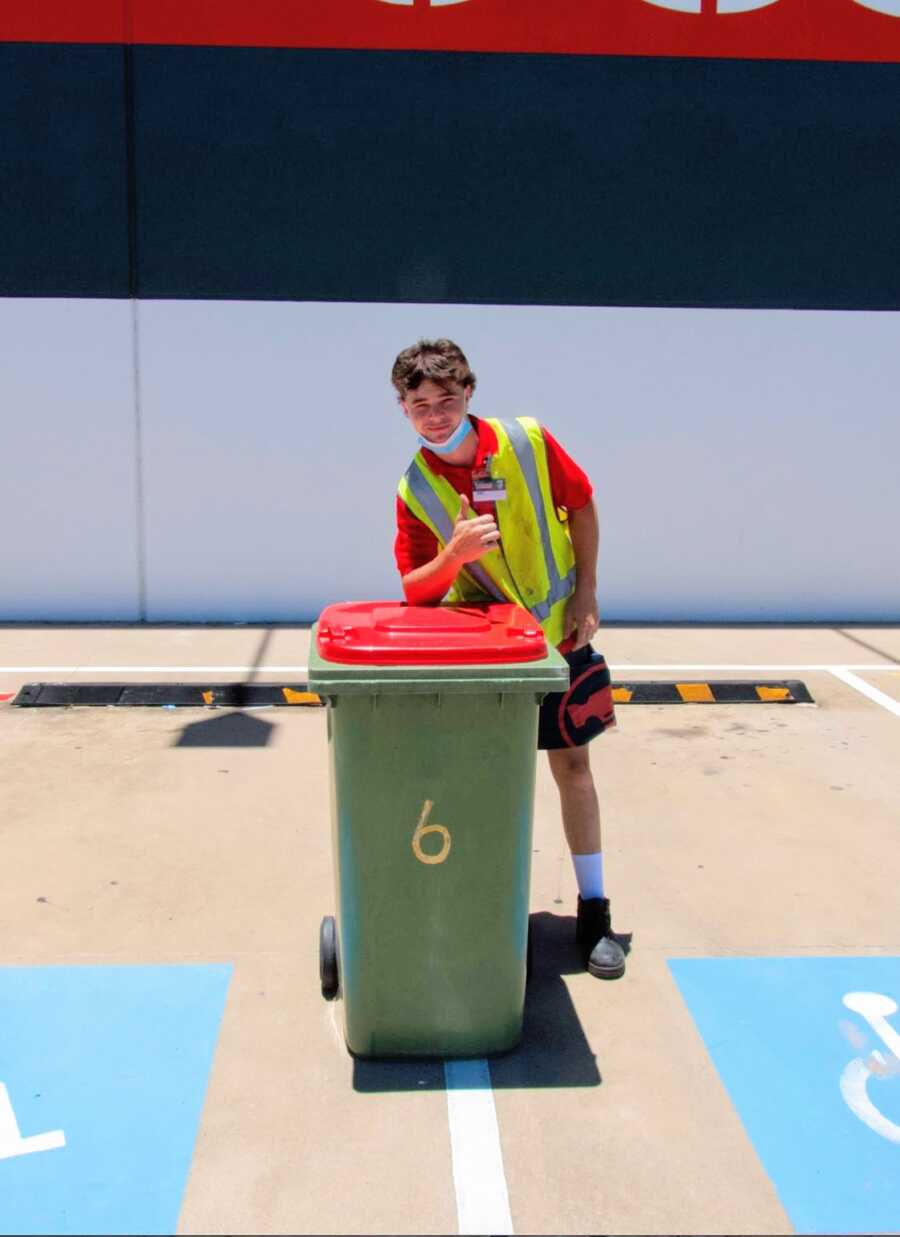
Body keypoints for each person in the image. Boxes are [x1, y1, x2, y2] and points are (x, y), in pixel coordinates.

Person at [391, 337, 625, 980]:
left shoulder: (526, 440)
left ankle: (595, 910)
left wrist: (587, 590)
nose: (435, 414)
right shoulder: (414, 488)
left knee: (573, 768)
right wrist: (454, 555)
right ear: (403, 410)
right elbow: (415, 589)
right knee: (483, 784)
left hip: (561, 635)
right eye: (419, 404)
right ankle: (485, 910)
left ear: (469, 393)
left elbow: (581, 504)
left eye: (446, 399)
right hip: (487, 657)